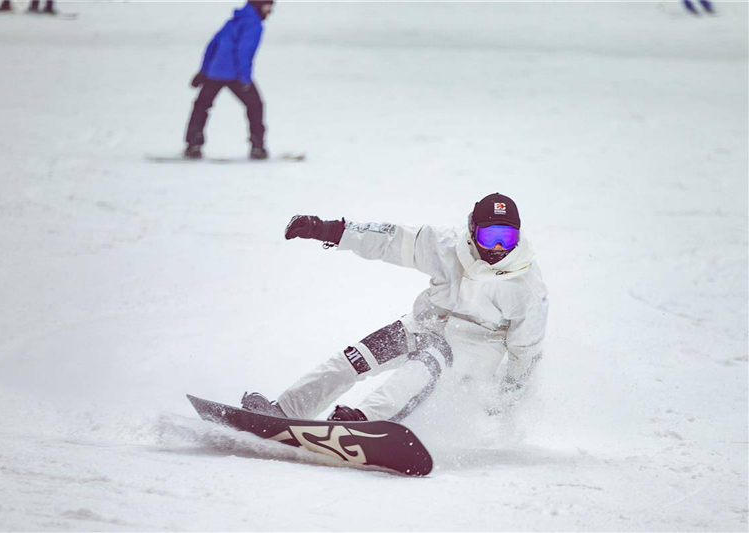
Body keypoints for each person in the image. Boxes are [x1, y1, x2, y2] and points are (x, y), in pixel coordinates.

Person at [242, 193, 549, 423]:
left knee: (425, 364)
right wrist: (328, 230)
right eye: (490, 236)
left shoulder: (527, 285)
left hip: (477, 347)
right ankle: (285, 410)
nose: (498, 248)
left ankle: (363, 422)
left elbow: (527, 348)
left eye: (506, 237)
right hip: (426, 325)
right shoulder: (446, 245)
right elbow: (391, 240)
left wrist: (509, 396)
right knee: (356, 357)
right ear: (472, 230)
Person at [184, 0, 273, 160]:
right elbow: (244, 52)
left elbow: (213, 45)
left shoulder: (233, 21)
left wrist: (204, 71)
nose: (270, 12)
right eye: (268, 7)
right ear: (258, 6)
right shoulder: (253, 24)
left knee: (201, 105)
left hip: (214, 72)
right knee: (255, 105)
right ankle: (258, 146)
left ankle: (193, 144)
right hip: (234, 75)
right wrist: (244, 79)